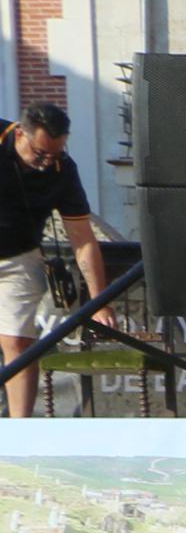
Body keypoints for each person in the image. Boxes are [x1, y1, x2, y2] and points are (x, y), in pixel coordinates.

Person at [0, 102, 110, 420]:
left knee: (17, 341)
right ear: (20, 133)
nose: (47, 163)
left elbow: (83, 238)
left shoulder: (63, 170)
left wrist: (100, 302)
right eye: (40, 154)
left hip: (18, 257)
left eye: (56, 154)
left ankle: (20, 430)